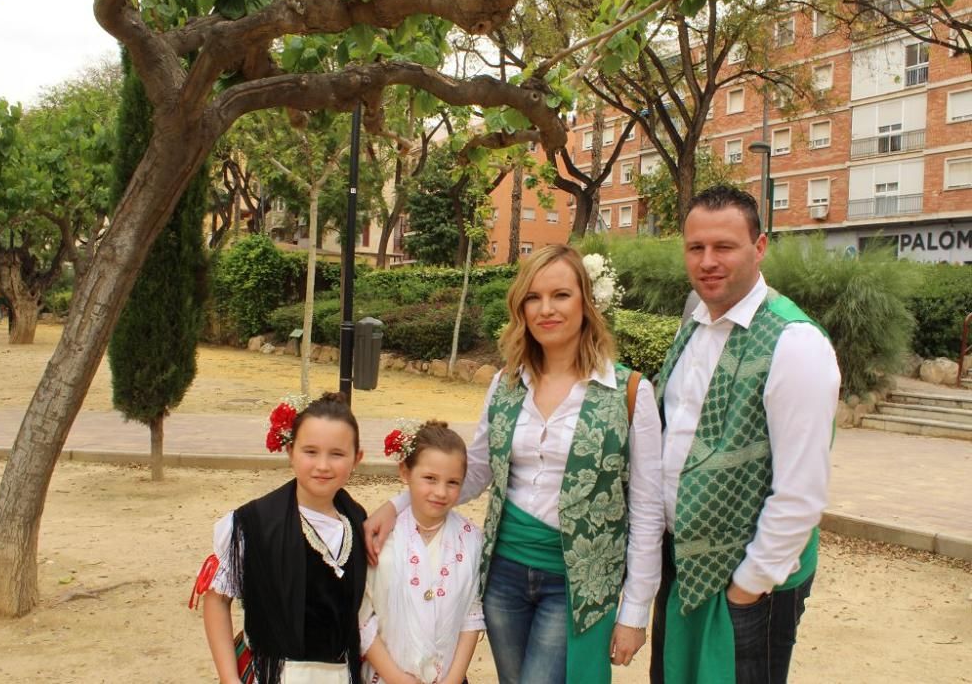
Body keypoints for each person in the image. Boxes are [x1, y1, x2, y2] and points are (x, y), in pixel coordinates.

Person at [365, 244, 663, 684]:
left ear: (585, 301)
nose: (546, 309)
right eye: (532, 297)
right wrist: (396, 505)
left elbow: (647, 510)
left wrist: (635, 612)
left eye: (560, 295)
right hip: (503, 575)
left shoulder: (630, 392)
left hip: (576, 583)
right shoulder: (506, 384)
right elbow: (479, 472)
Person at [645, 185, 840, 683]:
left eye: (724, 247)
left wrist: (747, 587)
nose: (708, 261)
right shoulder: (693, 324)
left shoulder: (796, 344)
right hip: (684, 569)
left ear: (759, 247)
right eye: (696, 248)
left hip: (747, 584)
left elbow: (800, 493)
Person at [202, 392, 368, 684]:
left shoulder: (358, 519)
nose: (323, 465)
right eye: (310, 451)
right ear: (290, 451)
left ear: (357, 458)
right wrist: (229, 679)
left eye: (337, 454)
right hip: (275, 674)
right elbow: (217, 601)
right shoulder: (254, 524)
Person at [359, 420, 484, 684]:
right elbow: (362, 617)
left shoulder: (472, 540)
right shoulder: (381, 539)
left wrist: (452, 679)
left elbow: (471, 617)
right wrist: (397, 678)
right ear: (405, 472)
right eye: (430, 479)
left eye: (453, 482)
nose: (440, 492)